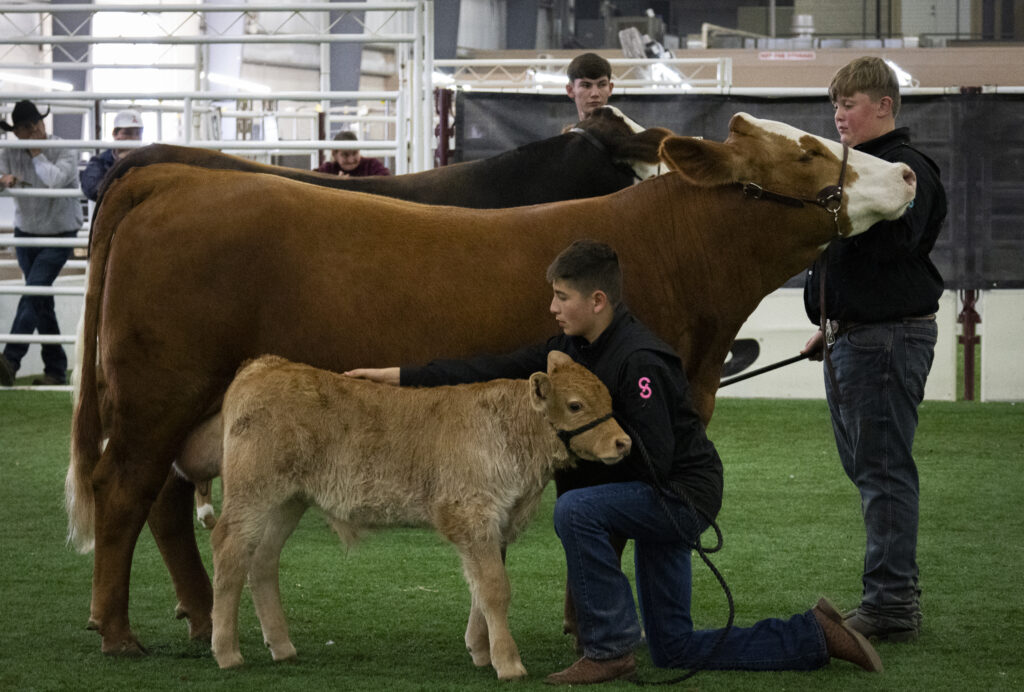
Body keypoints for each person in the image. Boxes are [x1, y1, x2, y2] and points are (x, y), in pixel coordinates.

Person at [347, 239, 882, 684]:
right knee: (675, 648)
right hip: (657, 496)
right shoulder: (570, 347)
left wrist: (575, 446)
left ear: (597, 300)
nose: (553, 308)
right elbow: (492, 367)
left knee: (577, 509)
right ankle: (817, 633)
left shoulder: (638, 358)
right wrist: (395, 376)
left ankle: (608, 648)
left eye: (562, 297)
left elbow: (655, 457)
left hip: (678, 495)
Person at [800, 57, 947, 643]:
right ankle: (891, 597)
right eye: (836, 103)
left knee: (882, 472)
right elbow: (866, 264)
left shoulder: (906, 170)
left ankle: (891, 605)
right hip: (860, 335)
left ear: (884, 105)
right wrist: (834, 322)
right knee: (873, 470)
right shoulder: (867, 167)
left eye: (851, 103)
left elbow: (892, 244)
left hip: (884, 338)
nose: (839, 114)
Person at [0, 100, 83, 387]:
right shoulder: (8, 152)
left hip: (59, 232)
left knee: (34, 291)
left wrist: (36, 154)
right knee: (40, 297)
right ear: (17, 132)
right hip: (27, 232)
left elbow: (55, 182)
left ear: (42, 123)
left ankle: (10, 359)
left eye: (35, 123)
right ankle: (56, 369)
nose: (33, 130)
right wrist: (2, 179)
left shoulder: (63, 148)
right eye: (25, 127)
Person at [79, 109, 144, 201]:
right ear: (115, 134)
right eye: (127, 133)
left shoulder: (148, 160)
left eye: (138, 133)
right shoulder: (99, 162)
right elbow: (93, 190)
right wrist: (121, 164)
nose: (134, 138)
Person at [315, 131, 390, 177]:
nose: (351, 160)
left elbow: (387, 180)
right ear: (334, 154)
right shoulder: (328, 169)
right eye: (345, 155)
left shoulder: (372, 165)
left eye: (355, 153)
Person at [566, 52, 614, 122]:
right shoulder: (570, 132)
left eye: (602, 85)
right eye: (586, 86)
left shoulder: (628, 131)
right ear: (570, 90)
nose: (595, 94)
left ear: (610, 88)